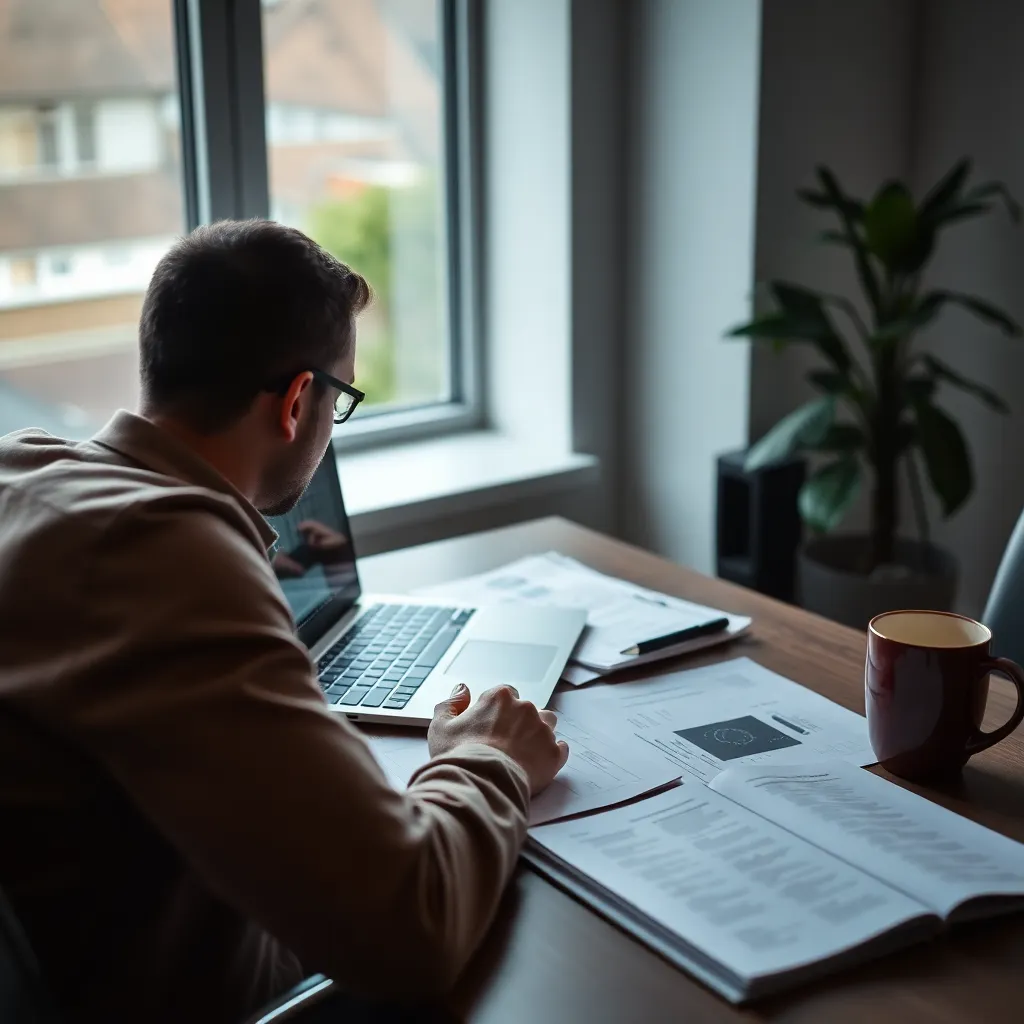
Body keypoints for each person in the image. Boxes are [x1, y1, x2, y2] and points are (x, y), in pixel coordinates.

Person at [0, 220, 569, 1024]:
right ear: (301, 400)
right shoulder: (165, 552)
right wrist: (488, 760)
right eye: (341, 399)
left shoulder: (26, 468)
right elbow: (411, 926)